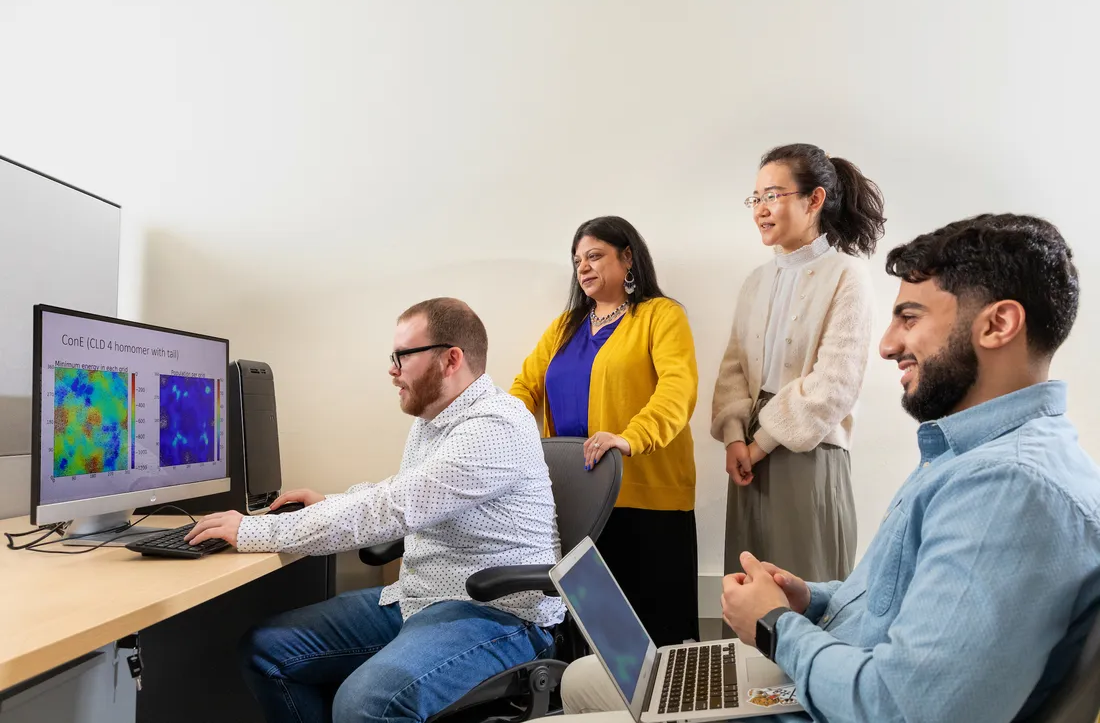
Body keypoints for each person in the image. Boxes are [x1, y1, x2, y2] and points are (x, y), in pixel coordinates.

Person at [561, 214, 1100, 721]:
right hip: (827, 667)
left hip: (826, 701)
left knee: (584, 697)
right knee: (586, 677)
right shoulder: (971, 454)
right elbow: (897, 603)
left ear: (999, 324)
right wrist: (811, 598)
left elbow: (897, 707)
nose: (887, 345)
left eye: (909, 318)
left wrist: (775, 625)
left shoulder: (1009, 488)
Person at [184, 298, 566, 723]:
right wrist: (331, 502)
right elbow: (398, 493)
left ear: (450, 359)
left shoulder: (492, 427)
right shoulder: (435, 419)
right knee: (267, 650)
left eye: (403, 355)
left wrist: (251, 531)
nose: (392, 369)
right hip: (419, 596)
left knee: (366, 703)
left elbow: (390, 509)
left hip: (498, 615)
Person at [511, 215, 700, 647]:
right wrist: (506, 431)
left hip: (645, 500)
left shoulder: (660, 316)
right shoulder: (565, 327)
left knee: (654, 637)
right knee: (596, 639)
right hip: (575, 500)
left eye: (595, 255)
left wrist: (630, 437)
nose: (583, 268)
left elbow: (678, 390)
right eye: (578, 260)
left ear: (627, 257)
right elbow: (525, 386)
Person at [711, 143, 885, 589]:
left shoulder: (847, 275)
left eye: (773, 195)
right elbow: (734, 369)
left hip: (809, 452)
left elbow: (835, 384)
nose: (761, 210)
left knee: (804, 589)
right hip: (748, 453)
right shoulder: (756, 280)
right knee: (747, 588)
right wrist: (735, 438)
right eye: (756, 198)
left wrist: (761, 443)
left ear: (815, 200)